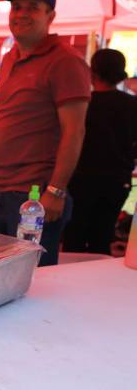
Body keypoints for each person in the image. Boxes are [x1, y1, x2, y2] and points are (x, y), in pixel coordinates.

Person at [0, 0, 91, 266]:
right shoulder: (9, 58)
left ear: (50, 16)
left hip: (33, 197)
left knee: (30, 284)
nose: (21, 14)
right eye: (16, 7)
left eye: (33, 7)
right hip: (0, 189)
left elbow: (74, 130)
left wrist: (56, 189)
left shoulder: (65, 60)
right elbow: (6, 117)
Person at [63, 49, 137, 255]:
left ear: (92, 72)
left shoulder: (81, 104)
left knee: (74, 235)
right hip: (117, 178)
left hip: (80, 177)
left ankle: (71, 281)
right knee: (102, 236)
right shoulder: (132, 104)